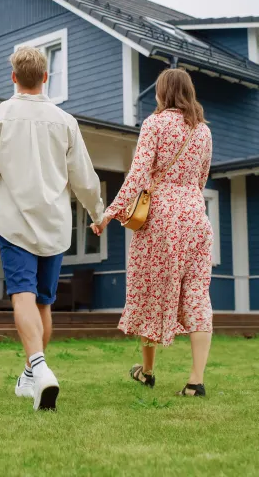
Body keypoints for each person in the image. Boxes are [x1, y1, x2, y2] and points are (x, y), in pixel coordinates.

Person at [0, 46, 105, 411]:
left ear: (13, 77)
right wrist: (97, 214)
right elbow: (84, 177)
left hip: (14, 224)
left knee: (22, 295)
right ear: (46, 77)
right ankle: (32, 375)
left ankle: (40, 370)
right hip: (55, 225)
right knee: (44, 303)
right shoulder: (65, 121)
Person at [91, 68, 214, 397]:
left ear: (163, 93)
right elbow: (202, 179)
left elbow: (138, 175)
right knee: (198, 296)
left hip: (161, 218)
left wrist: (108, 214)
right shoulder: (203, 131)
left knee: (150, 289)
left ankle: (147, 371)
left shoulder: (154, 124)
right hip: (197, 217)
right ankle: (195, 380)